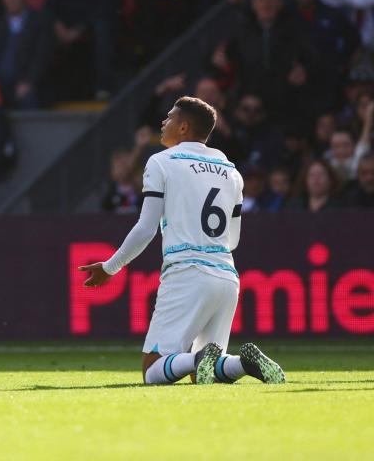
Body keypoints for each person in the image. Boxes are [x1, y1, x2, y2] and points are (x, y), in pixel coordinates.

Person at [79, 96, 285, 386]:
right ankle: (242, 364)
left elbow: (146, 228)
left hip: (187, 272)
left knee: (153, 370)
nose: (163, 123)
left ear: (184, 127)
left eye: (170, 117)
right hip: (226, 275)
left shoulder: (162, 162)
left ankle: (202, 358)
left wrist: (111, 268)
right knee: (202, 376)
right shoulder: (232, 172)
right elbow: (234, 239)